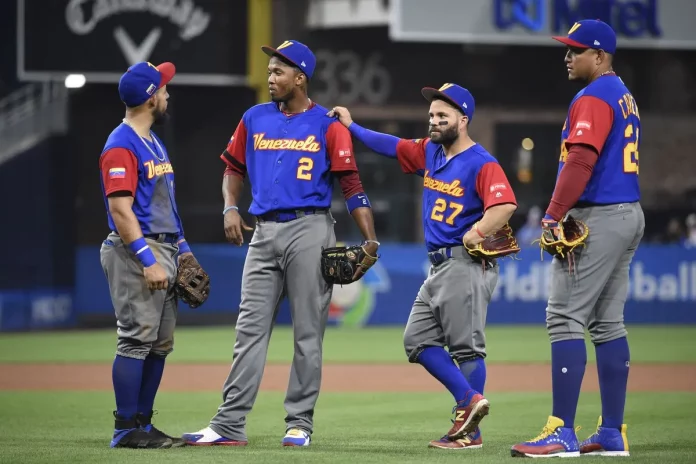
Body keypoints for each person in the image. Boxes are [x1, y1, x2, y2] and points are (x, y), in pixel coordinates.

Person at [182, 40, 379, 447]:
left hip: (310, 228)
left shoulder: (328, 124)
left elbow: (351, 184)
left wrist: (370, 238)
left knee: (308, 333)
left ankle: (299, 423)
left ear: (300, 78)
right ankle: (229, 424)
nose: (270, 78)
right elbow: (232, 168)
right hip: (262, 231)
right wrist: (229, 208)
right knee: (248, 331)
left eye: (277, 72)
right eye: (270, 71)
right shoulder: (254, 118)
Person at [329, 82, 518, 450]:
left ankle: (470, 433)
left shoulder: (482, 162)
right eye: (431, 114)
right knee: (416, 340)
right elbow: (390, 145)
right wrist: (352, 127)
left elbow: (505, 204)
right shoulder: (431, 152)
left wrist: (477, 231)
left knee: (467, 349)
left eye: (442, 115)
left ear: (463, 120)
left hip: (464, 263)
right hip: (438, 267)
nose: (433, 120)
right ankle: (469, 401)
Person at [511, 20, 644, 458]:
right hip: (628, 213)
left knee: (564, 317)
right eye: (567, 49)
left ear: (600, 55)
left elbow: (581, 161)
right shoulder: (622, 94)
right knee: (607, 324)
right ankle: (611, 433)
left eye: (576, 50)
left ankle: (561, 431)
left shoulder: (593, 96)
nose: (568, 56)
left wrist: (551, 215)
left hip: (600, 214)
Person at [99, 61, 195, 449]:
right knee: (136, 339)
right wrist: (147, 259)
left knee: (160, 343)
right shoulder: (121, 145)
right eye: (163, 88)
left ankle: (143, 423)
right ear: (149, 97)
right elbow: (121, 210)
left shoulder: (154, 142)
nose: (167, 93)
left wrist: (183, 251)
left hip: (166, 246)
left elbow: (166, 204)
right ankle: (124, 429)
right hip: (135, 251)